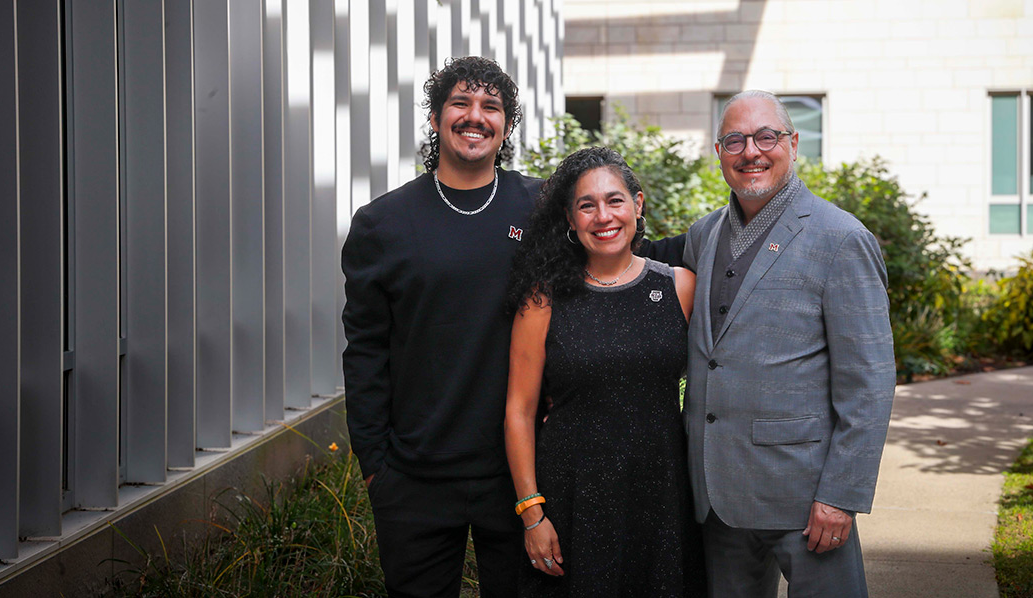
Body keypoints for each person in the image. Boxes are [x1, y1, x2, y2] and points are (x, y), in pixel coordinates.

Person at [341, 57, 683, 598]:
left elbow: (614, 251)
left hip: (521, 474)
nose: (475, 117)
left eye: (491, 107)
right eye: (460, 103)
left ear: (505, 124)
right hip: (415, 476)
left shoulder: (541, 205)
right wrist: (374, 467)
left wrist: (725, 236)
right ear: (435, 118)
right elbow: (363, 351)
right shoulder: (382, 224)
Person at [682, 90, 896, 598]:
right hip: (718, 496)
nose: (750, 151)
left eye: (766, 137)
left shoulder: (841, 239)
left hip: (807, 501)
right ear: (719, 153)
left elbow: (869, 383)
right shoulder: (702, 236)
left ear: (793, 144)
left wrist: (841, 496)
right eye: (734, 140)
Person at [503, 147, 707, 597]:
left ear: (637, 205)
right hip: (572, 495)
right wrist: (532, 514)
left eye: (614, 200)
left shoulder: (679, 287)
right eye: (586, 205)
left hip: (662, 497)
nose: (603, 216)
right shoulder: (544, 299)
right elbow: (519, 410)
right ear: (571, 221)